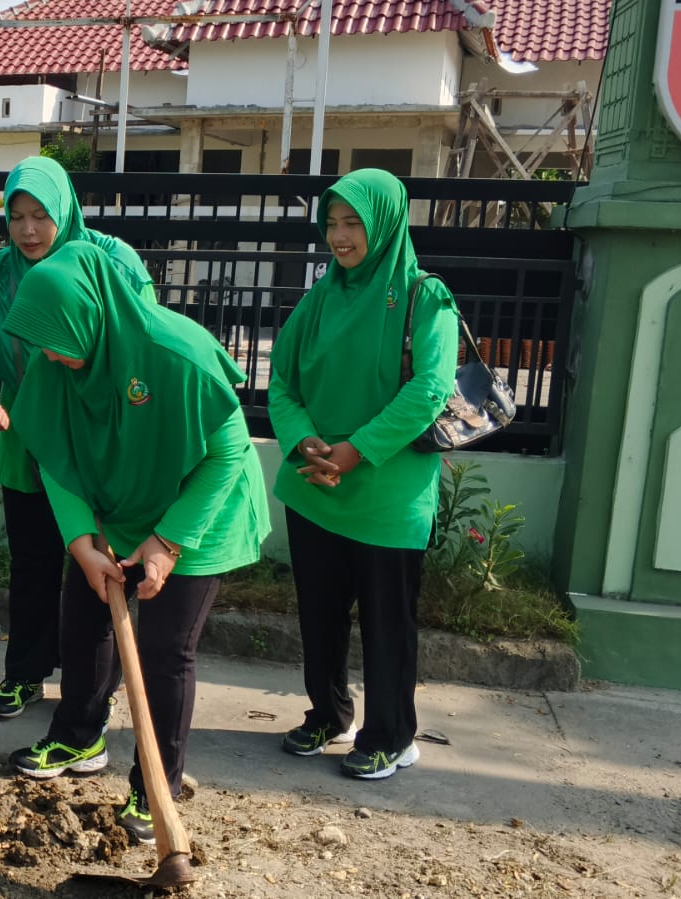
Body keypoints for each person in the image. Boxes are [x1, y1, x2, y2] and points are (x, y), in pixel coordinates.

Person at [1, 241, 270, 845]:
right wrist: (79, 539)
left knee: (165, 648)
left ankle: (157, 786)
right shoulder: (54, 362)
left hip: (198, 512)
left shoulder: (178, 353)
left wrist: (168, 543)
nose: (49, 354)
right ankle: (78, 735)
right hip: (115, 506)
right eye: (41, 341)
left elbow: (228, 451)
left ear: (93, 315)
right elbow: (53, 453)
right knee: (84, 623)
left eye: (59, 338)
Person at [267, 168, 458, 780]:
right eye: (332, 224)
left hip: (386, 494)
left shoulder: (426, 296)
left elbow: (430, 388)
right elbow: (282, 382)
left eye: (354, 224)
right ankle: (328, 714)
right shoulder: (320, 297)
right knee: (319, 616)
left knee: (386, 625)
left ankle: (392, 735)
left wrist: (355, 450)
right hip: (315, 485)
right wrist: (303, 442)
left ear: (386, 223)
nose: (341, 237)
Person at [0, 155, 155, 721]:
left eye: (41, 216)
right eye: (17, 216)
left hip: (102, 440)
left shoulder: (113, 260)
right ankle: (24, 673)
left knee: (105, 567)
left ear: (66, 210)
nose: (29, 230)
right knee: (32, 563)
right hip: (29, 439)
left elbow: (144, 343)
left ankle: (97, 683)